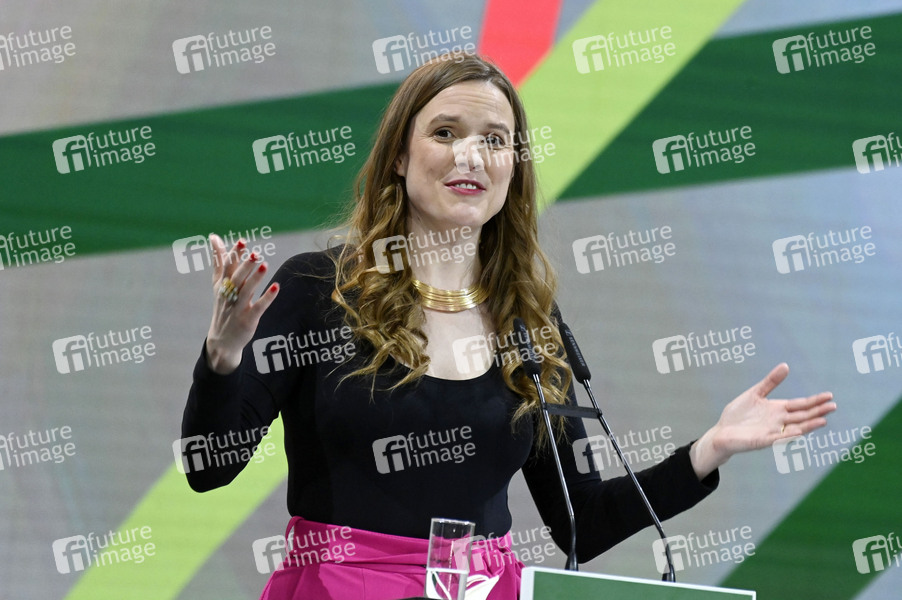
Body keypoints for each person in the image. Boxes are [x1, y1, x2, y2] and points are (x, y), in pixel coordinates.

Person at [181, 52, 835, 600]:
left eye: (494, 140)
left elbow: (581, 523)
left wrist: (710, 449)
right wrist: (224, 354)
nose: (471, 154)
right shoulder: (318, 290)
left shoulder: (529, 320)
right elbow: (210, 469)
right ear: (400, 157)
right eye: (445, 133)